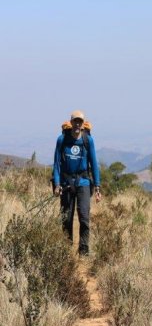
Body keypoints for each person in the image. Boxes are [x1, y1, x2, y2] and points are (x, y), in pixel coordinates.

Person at [52, 110, 101, 256]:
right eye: (75, 121)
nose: (77, 124)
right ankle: (66, 252)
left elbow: (94, 163)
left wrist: (97, 186)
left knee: (84, 218)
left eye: (80, 121)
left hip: (84, 182)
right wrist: (57, 184)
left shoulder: (88, 140)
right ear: (71, 122)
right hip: (66, 183)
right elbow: (56, 164)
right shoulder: (62, 139)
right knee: (66, 219)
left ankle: (83, 253)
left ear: (83, 123)